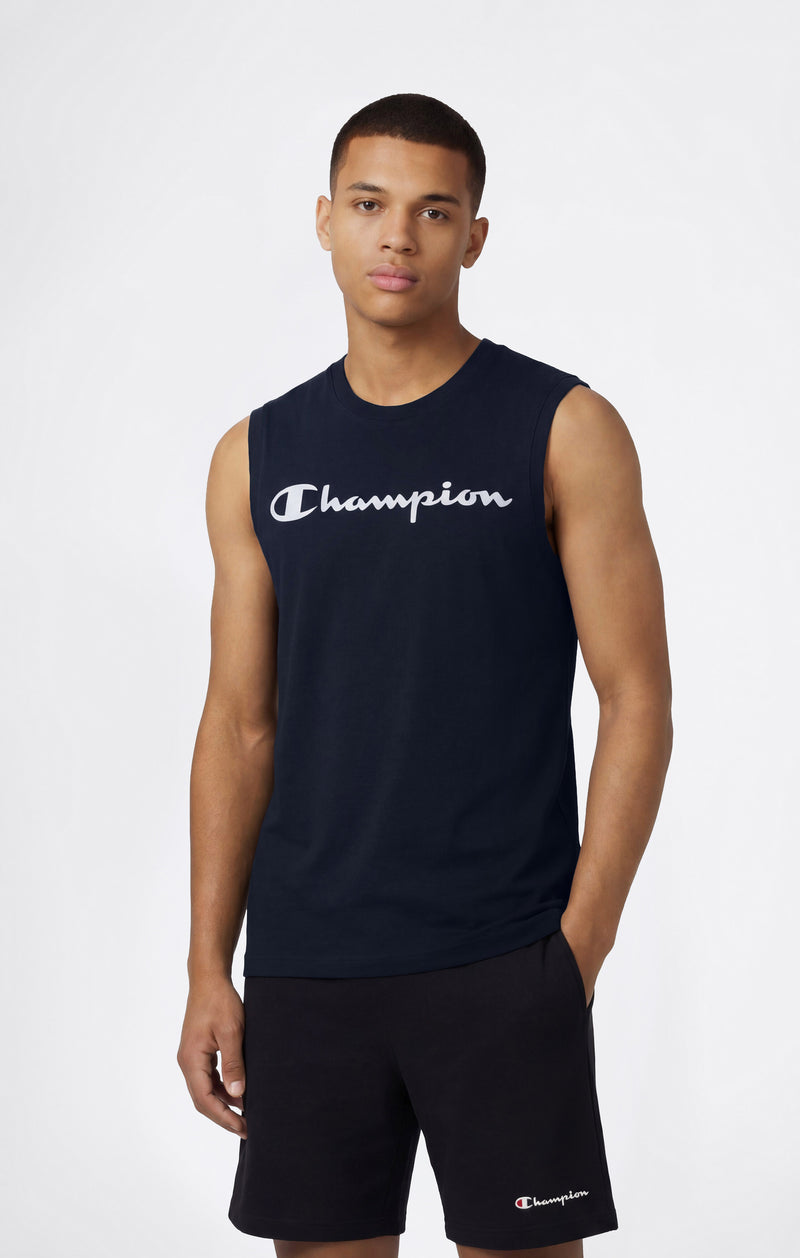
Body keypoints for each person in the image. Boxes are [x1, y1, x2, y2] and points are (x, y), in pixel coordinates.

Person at [177, 92, 673, 1258]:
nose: (396, 235)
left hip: (502, 954)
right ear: (324, 220)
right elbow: (240, 724)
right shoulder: (257, 455)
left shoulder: (561, 426)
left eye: (432, 211)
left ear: (472, 237)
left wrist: (578, 946)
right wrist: (208, 964)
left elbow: (636, 698)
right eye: (368, 204)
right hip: (308, 963)